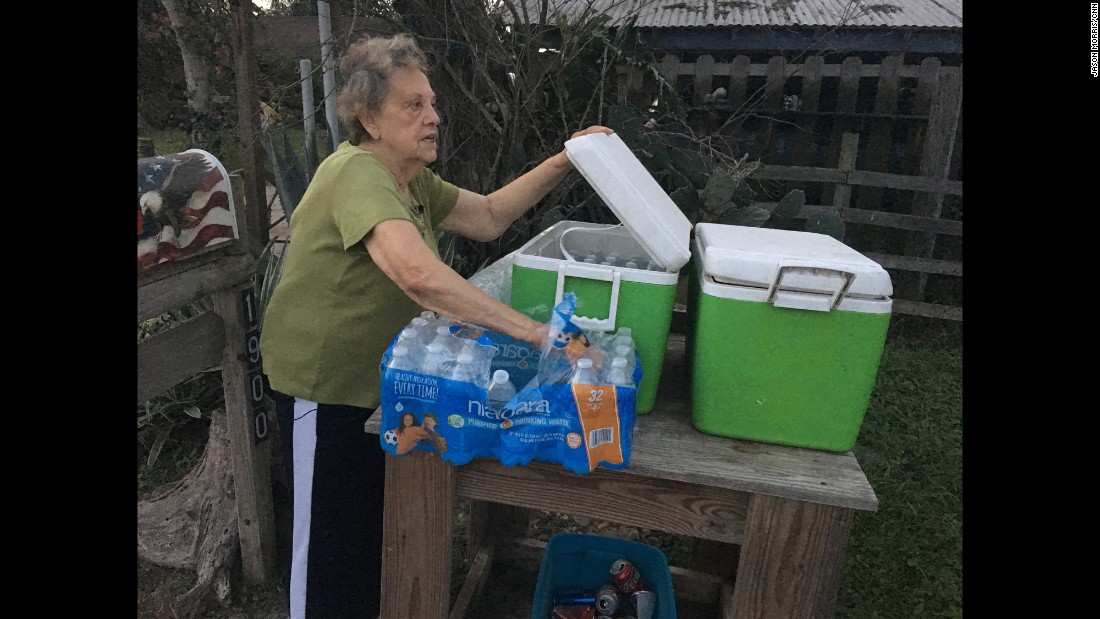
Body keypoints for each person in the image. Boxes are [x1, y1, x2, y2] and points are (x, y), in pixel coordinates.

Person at [258, 33, 613, 619]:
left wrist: (565, 159)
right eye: (414, 106)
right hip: (320, 390)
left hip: (375, 390)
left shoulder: (412, 179)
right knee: (325, 552)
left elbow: (491, 216)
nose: (433, 117)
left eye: (432, 103)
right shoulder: (356, 174)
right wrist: (532, 333)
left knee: (367, 540)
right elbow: (418, 276)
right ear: (370, 118)